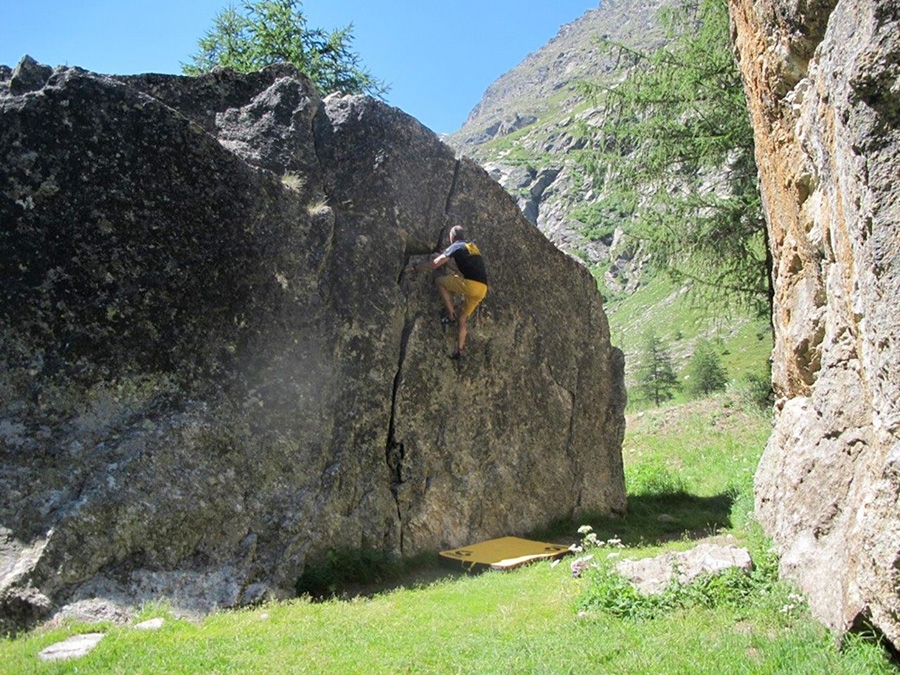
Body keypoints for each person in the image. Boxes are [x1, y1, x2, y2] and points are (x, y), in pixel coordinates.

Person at [406, 225, 488, 359]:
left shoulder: (455, 246)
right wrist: (443, 260)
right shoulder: (471, 247)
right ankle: (459, 351)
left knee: (439, 282)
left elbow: (434, 265)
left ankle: (450, 315)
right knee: (463, 317)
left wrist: (416, 268)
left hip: (471, 285)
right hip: (482, 289)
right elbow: (460, 268)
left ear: (452, 237)